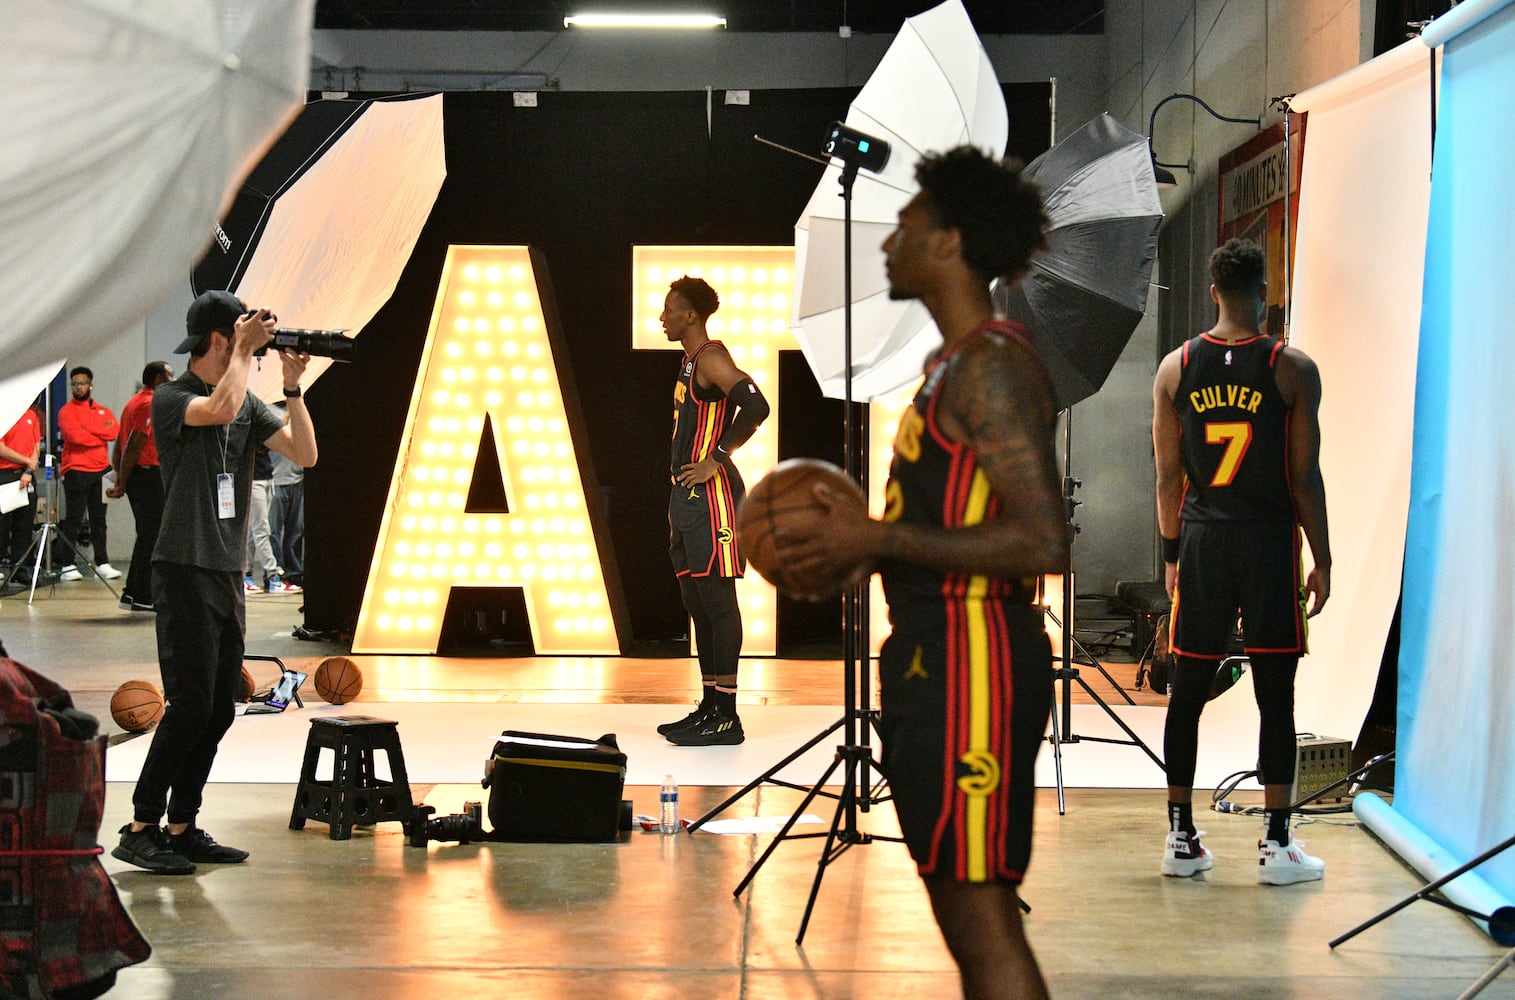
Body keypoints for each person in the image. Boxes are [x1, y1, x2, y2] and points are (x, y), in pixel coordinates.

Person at [777, 147, 1064, 1000]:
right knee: (959, 906)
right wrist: (861, 545)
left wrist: (883, 539)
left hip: (977, 658)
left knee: (979, 918)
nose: (887, 242)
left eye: (904, 225)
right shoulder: (948, 367)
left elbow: (1042, 543)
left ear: (948, 241)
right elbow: (942, 524)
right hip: (932, 655)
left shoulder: (993, 367)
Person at [112, 290, 317, 875]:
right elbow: (221, 410)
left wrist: (295, 388)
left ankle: (182, 826)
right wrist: (247, 356)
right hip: (183, 568)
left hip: (225, 572)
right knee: (189, 703)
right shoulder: (171, 398)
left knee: (223, 707)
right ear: (222, 339)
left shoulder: (247, 400)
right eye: (242, 334)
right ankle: (141, 826)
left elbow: (304, 453)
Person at [1151, 237, 1331, 885]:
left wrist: (1171, 555)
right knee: (1274, 696)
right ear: (1263, 290)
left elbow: (1167, 477)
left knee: (1186, 696)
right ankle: (1277, 845)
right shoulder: (1291, 367)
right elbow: (1302, 476)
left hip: (1202, 542)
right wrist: (1323, 558)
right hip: (1266, 544)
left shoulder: (1174, 367)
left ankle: (1180, 837)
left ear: (1211, 292)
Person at [656, 275, 770, 747]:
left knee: (719, 603)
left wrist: (716, 458)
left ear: (691, 316)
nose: (661, 318)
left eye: (668, 310)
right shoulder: (689, 362)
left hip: (714, 499)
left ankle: (728, 714)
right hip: (685, 500)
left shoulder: (712, 358)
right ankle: (709, 705)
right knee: (695, 603)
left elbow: (757, 405)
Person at [108, 361, 174, 611]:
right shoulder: (149, 403)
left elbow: (120, 443)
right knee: (152, 536)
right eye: (170, 375)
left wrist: (120, 475)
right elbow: (134, 443)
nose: (173, 379)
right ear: (158, 379)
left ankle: (132, 594)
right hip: (147, 475)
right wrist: (122, 482)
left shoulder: (133, 401)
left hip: (140, 476)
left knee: (148, 535)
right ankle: (144, 596)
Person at [55, 366, 120, 581]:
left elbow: (113, 431)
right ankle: (67, 565)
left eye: (82, 383)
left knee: (99, 519)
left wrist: (88, 428)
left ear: (90, 385)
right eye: (75, 383)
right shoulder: (66, 411)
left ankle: (102, 562)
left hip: (102, 469)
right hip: (76, 469)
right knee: (74, 518)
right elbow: (76, 438)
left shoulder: (101, 410)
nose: (78, 387)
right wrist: (96, 432)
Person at [0, 402, 44, 589]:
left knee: (24, 526)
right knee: (2, 525)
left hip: (26, 475)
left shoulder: (31, 415)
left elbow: (36, 445)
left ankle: (20, 569)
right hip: (5, 474)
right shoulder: (5, 414)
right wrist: (26, 460)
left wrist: (28, 468)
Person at [268, 421, 305, 590]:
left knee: (296, 529)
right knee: (272, 530)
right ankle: (276, 572)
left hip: (297, 478)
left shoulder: (300, 410)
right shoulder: (270, 411)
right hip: (276, 479)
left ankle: (294, 572)